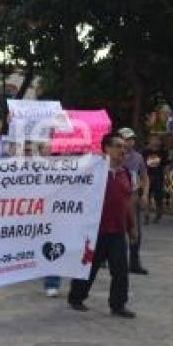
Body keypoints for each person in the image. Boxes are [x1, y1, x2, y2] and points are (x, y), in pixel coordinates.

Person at [68, 133, 138, 318]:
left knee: (121, 270)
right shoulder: (93, 171)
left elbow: (128, 202)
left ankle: (118, 305)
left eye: (124, 147)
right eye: (117, 146)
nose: (122, 150)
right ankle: (76, 298)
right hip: (95, 230)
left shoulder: (127, 174)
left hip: (117, 230)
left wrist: (132, 227)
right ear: (106, 148)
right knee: (89, 267)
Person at [119, 127, 149, 275]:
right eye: (126, 139)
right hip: (117, 198)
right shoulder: (113, 156)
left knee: (135, 229)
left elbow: (144, 177)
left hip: (133, 196)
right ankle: (107, 258)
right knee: (114, 229)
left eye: (131, 139)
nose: (130, 142)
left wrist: (145, 195)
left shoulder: (138, 157)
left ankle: (134, 262)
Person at [142, 133, 168, 224]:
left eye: (157, 139)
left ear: (160, 142)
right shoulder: (145, 151)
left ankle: (158, 214)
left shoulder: (163, 152)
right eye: (153, 139)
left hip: (158, 176)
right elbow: (142, 164)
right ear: (149, 140)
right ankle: (146, 215)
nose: (155, 141)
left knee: (158, 197)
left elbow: (165, 164)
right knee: (146, 196)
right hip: (147, 176)